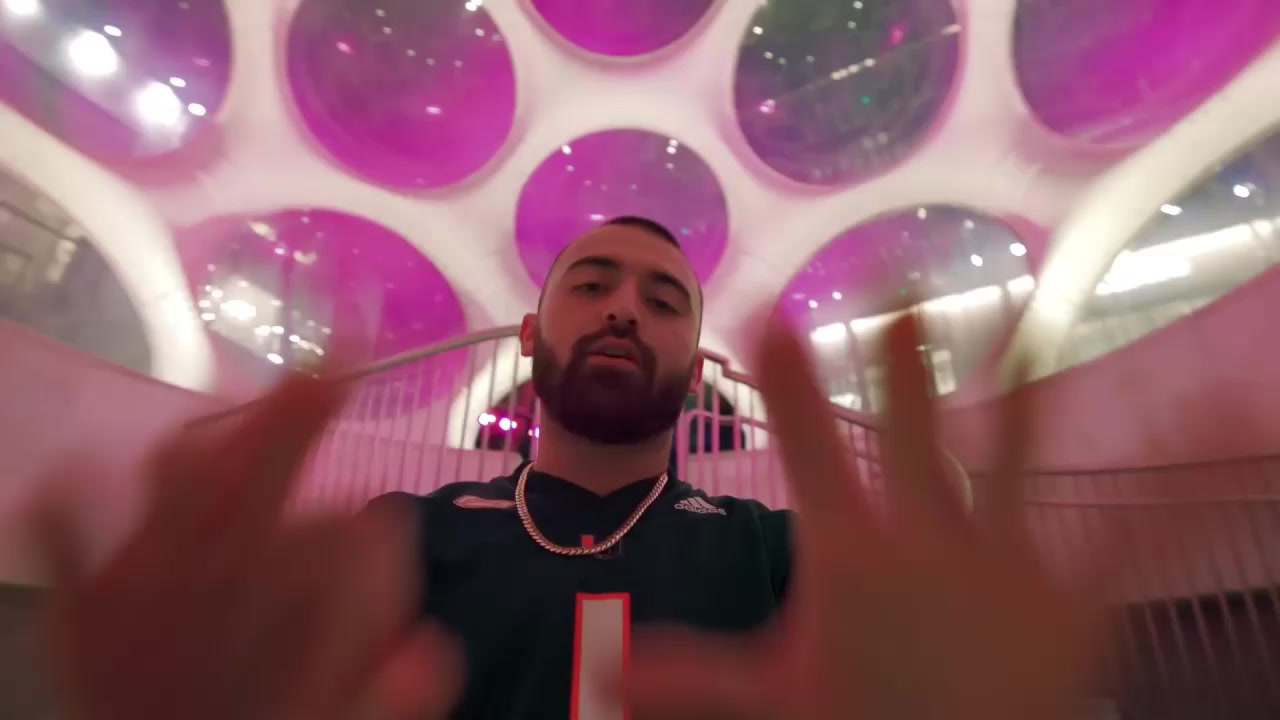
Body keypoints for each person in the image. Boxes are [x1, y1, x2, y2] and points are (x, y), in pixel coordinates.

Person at [29, 217, 1103, 720]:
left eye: (662, 299)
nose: (624, 308)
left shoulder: (778, 556)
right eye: (592, 284)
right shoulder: (400, 538)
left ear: (699, 367)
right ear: (531, 334)